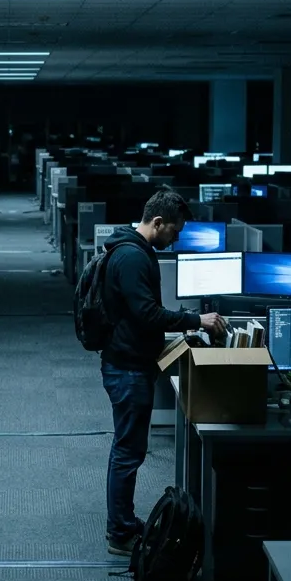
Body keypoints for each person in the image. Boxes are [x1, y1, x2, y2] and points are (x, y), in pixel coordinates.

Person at [99, 189, 226, 556]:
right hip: (127, 369)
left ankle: (122, 523)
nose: (178, 238)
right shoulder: (132, 257)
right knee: (127, 451)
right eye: (175, 230)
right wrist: (194, 320)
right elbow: (147, 315)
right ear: (157, 222)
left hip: (129, 363)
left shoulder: (133, 250)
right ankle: (120, 534)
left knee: (128, 448)